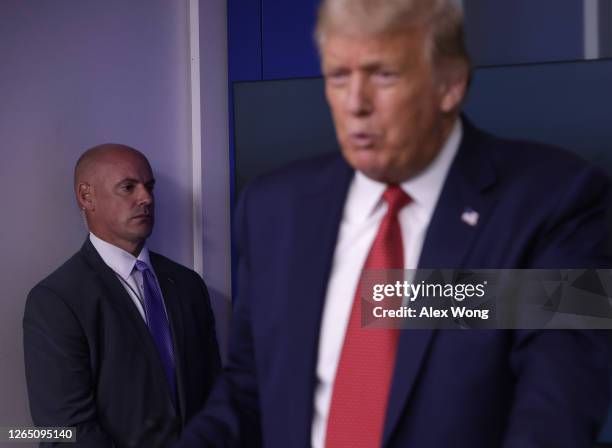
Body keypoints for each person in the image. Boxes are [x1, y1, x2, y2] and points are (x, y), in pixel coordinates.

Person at [175, 0, 612, 447]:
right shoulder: (274, 209)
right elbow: (249, 390)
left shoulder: (560, 201)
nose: (356, 104)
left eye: (384, 74)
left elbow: (557, 411)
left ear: (450, 84)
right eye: (338, 76)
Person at [23, 144, 221, 447]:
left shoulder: (188, 285)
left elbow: (214, 394)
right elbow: (64, 430)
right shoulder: (56, 300)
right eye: (128, 187)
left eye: (149, 187)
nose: (146, 199)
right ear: (86, 197)